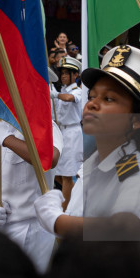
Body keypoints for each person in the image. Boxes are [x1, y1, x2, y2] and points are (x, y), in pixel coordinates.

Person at [32, 45, 140, 250]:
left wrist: (58, 222)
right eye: (92, 96)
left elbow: (125, 231)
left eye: (109, 99)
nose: (92, 104)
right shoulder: (94, 164)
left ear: (136, 120)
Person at [0, 76, 63, 273]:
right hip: (4, 225)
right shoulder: (4, 126)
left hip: (32, 227)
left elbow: (49, 158)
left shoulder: (47, 127)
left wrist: (7, 139)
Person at [52, 56, 84, 208]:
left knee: (66, 175)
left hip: (72, 134)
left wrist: (55, 94)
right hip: (61, 133)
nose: (63, 76)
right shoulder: (61, 90)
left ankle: (64, 211)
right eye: (62, 73)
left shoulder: (77, 91)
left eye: (67, 73)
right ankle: (74, 192)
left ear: (76, 75)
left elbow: (70, 98)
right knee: (57, 173)